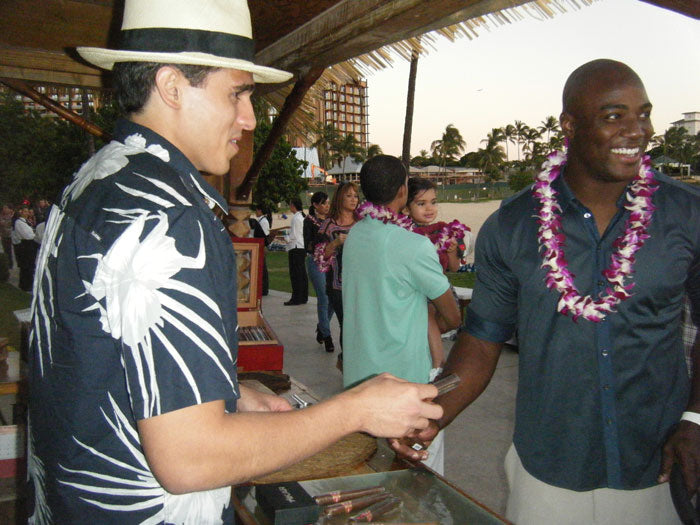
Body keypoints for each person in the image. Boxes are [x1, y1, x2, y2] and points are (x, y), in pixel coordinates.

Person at [27, 1, 443, 522]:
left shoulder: (98, 178)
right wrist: (356, 408)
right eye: (237, 93)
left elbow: (105, 361)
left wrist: (222, 393)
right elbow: (191, 458)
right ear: (173, 86)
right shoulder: (175, 220)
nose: (248, 118)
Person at [393, 59, 700, 524]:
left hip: (656, 463)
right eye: (615, 115)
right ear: (570, 126)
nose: (637, 130)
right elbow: (480, 340)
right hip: (548, 468)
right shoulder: (514, 225)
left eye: (644, 114)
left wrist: (696, 418)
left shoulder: (685, 214)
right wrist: (433, 414)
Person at [342, 155, 462, 475]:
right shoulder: (413, 246)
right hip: (403, 386)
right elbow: (453, 316)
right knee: (418, 478)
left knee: (371, 472)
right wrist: (426, 321)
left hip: (359, 382)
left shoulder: (355, 236)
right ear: (402, 192)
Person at [405, 177, 471, 379]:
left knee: (434, 315)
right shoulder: (405, 233)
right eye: (421, 203)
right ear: (406, 208)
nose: (429, 208)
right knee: (426, 313)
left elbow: (453, 267)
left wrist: (452, 250)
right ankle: (438, 362)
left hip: (440, 288)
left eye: (433, 202)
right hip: (418, 291)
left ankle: (435, 356)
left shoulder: (442, 230)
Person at [313, 181, 360, 369]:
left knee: (359, 325)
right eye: (349, 195)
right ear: (340, 198)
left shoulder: (363, 222)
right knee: (347, 324)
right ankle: (348, 363)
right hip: (338, 284)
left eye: (356, 195)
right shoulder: (328, 226)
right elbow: (319, 256)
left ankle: (350, 361)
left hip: (361, 283)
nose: (353, 199)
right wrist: (335, 243)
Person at [304, 191, 335, 352]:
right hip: (316, 261)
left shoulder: (331, 221)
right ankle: (327, 336)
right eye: (323, 203)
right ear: (315, 205)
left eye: (328, 203)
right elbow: (307, 244)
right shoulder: (309, 221)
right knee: (323, 296)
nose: (327, 206)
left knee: (334, 298)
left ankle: (322, 327)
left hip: (332, 262)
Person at [284, 197, 308, 305]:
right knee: (302, 273)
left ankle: (296, 298)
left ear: (293, 205)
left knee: (295, 274)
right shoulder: (302, 217)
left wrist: (285, 238)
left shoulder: (296, 218)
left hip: (296, 247)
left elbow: (293, 236)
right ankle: (303, 297)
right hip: (302, 247)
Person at [11, 203, 37, 291]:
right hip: (24, 246)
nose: (27, 213)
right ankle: (25, 285)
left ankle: (28, 283)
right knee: (25, 266)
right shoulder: (19, 222)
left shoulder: (25, 221)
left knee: (29, 266)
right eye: (25, 211)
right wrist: (34, 234)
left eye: (27, 211)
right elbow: (27, 235)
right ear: (20, 212)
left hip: (28, 246)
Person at [250, 205, 271, 295]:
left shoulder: (264, 221)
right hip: (259, 245)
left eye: (256, 211)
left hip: (261, 245)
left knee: (263, 267)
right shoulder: (260, 221)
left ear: (260, 211)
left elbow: (265, 235)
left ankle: (264, 288)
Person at [0, 204, 14, 269]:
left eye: (6, 208)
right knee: (6, 250)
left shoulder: (11, 216)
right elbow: (2, 223)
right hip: (4, 235)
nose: (5, 209)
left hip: (10, 235)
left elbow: (10, 224)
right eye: (4, 208)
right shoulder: (1, 216)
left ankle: (10, 264)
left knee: (10, 250)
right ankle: (7, 264)